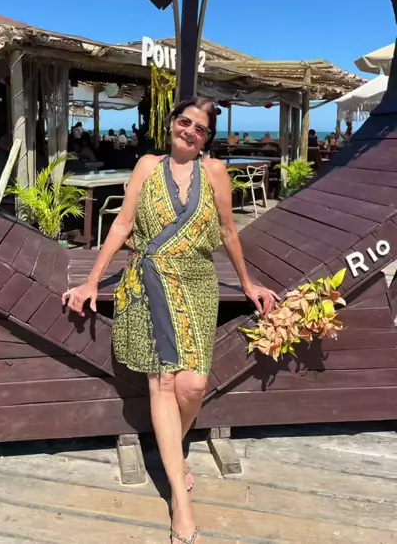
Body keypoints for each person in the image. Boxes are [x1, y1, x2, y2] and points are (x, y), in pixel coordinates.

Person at [62, 97, 278, 544]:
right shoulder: (147, 166)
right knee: (163, 382)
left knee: (193, 386)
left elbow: (227, 230)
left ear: (207, 138)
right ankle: (181, 498)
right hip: (149, 282)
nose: (190, 131)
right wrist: (92, 281)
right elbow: (122, 225)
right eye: (185, 122)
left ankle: (172, 456)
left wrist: (247, 283)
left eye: (200, 128)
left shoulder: (214, 172)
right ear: (172, 124)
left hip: (197, 283)